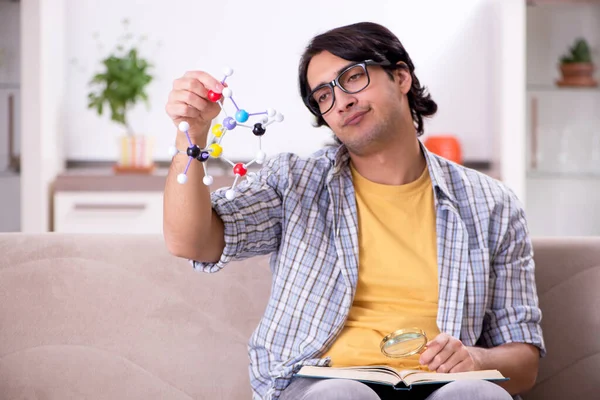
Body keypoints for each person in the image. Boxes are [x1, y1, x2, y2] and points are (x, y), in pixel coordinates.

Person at [163, 21, 545, 400]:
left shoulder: (491, 204)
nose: (341, 100)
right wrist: (190, 137)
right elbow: (192, 242)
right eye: (324, 96)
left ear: (401, 78)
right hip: (324, 384)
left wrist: (475, 360)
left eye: (353, 77)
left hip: (441, 388)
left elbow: (524, 362)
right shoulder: (295, 181)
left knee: (477, 395)